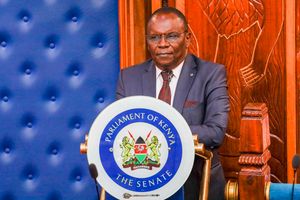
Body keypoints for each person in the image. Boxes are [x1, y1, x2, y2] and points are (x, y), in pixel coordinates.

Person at [116, 6, 229, 200]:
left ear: (187, 38)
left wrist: (161, 131)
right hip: (145, 185)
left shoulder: (211, 74)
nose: (162, 44)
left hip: (196, 183)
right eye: (154, 38)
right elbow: (122, 132)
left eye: (171, 36)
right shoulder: (129, 77)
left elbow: (215, 132)